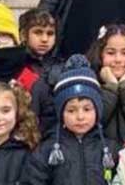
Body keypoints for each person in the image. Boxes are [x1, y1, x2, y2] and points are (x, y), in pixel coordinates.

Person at [24, 55, 119, 185]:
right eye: (71, 110)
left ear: (97, 110)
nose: (80, 117)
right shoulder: (47, 150)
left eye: (87, 109)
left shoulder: (110, 149)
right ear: (60, 113)